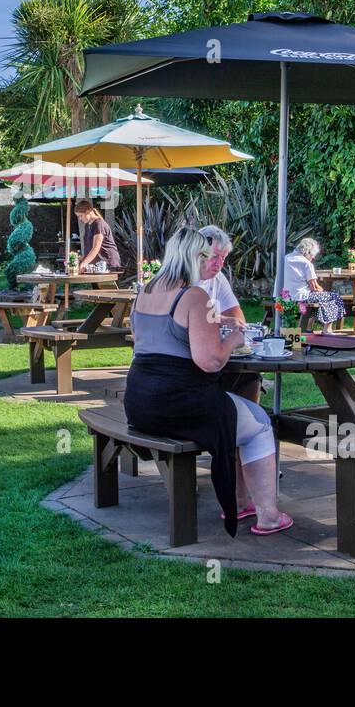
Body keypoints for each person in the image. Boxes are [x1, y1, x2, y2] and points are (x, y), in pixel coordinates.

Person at [125, 227, 293, 537]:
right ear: (193, 257)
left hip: (139, 403)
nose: (209, 265)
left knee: (240, 407)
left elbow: (145, 343)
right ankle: (268, 514)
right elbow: (210, 361)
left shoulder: (144, 291)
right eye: (205, 257)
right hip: (177, 404)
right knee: (259, 423)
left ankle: (243, 502)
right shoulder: (193, 295)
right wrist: (235, 340)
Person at [198, 226, 262, 403]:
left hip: (211, 357)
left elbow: (237, 318)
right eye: (215, 257)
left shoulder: (218, 278)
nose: (219, 264)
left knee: (250, 377)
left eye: (223, 258)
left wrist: (228, 323)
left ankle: (243, 422)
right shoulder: (183, 279)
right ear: (199, 253)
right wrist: (223, 322)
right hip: (189, 364)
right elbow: (192, 319)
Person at [282, 238, 346, 335]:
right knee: (334, 297)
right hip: (301, 298)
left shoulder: (286, 258)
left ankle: (308, 328)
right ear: (307, 252)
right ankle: (327, 329)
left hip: (285, 297)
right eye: (312, 256)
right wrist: (322, 290)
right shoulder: (306, 263)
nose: (313, 258)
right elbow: (314, 288)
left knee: (318, 300)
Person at [73, 199, 122, 273]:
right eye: (78, 216)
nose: (80, 219)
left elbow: (96, 248)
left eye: (81, 216)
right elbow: (89, 247)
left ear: (88, 212)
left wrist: (84, 263)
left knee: (105, 285)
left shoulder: (99, 224)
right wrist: (81, 259)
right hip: (98, 264)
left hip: (108, 263)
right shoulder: (87, 225)